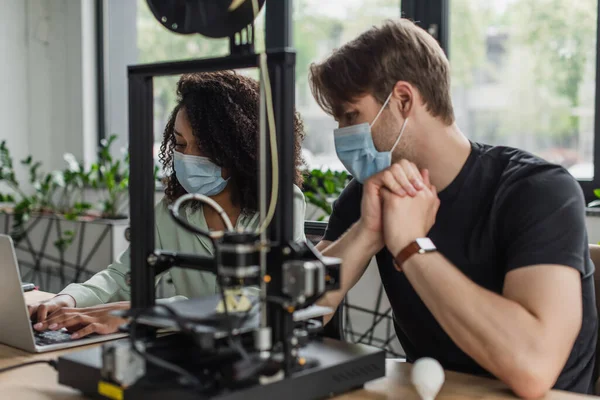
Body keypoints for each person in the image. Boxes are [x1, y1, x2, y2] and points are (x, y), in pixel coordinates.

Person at [310, 18, 597, 397]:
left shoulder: (537, 190)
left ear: (403, 100)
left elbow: (533, 368)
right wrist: (367, 232)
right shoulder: (368, 195)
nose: (342, 137)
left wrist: (412, 245)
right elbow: (295, 317)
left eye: (350, 117)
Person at [28, 71, 307, 339]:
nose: (189, 158)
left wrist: (147, 311)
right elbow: (124, 275)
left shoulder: (282, 204)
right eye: (180, 144)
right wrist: (69, 298)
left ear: (242, 149)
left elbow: (261, 299)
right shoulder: (173, 210)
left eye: (205, 149)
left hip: (257, 350)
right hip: (192, 348)